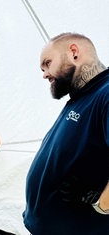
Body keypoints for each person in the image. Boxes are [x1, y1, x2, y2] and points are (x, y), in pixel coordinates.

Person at [23, 32, 109, 234]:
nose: (44, 74)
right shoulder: (83, 96)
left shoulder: (105, 93)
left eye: (48, 63)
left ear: (74, 52)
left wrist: (102, 207)